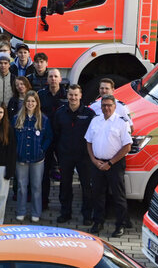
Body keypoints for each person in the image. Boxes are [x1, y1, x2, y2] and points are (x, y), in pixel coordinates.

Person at [85, 94, 132, 237]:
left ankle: (120, 225)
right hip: (97, 163)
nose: (106, 108)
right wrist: (93, 160)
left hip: (115, 164)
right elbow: (89, 141)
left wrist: (110, 163)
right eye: (104, 105)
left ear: (114, 106)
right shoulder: (95, 121)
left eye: (109, 105)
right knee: (98, 195)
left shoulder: (121, 122)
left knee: (118, 196)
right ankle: (98, 222)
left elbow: (127, 147)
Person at [51, 84, 95, 225]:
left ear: (80, 96)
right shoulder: (60, 113)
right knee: (65, 186)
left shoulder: (89, 114)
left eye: (76, 95)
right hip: (65, 156)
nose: (73, 97)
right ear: (67, 95)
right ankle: (65, 213)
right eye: (71, 95)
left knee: (86, 187)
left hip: (84, 157)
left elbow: (93, 135)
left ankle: (87, 215)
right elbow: (56, 134)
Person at [14, 90, 52, 222]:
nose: (30, 103)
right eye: (28, 101)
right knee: (21, 186)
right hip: (21, 159)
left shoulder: (44, 119)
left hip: (37, 159)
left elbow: (48, 137)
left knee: (36, 187)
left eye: (33, 101)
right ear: (24, 103)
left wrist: (42, 150)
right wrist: (17, 151)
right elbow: (13, 138)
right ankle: (21, 211)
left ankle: (36, 212)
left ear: (37, 103)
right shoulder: (17, 118)